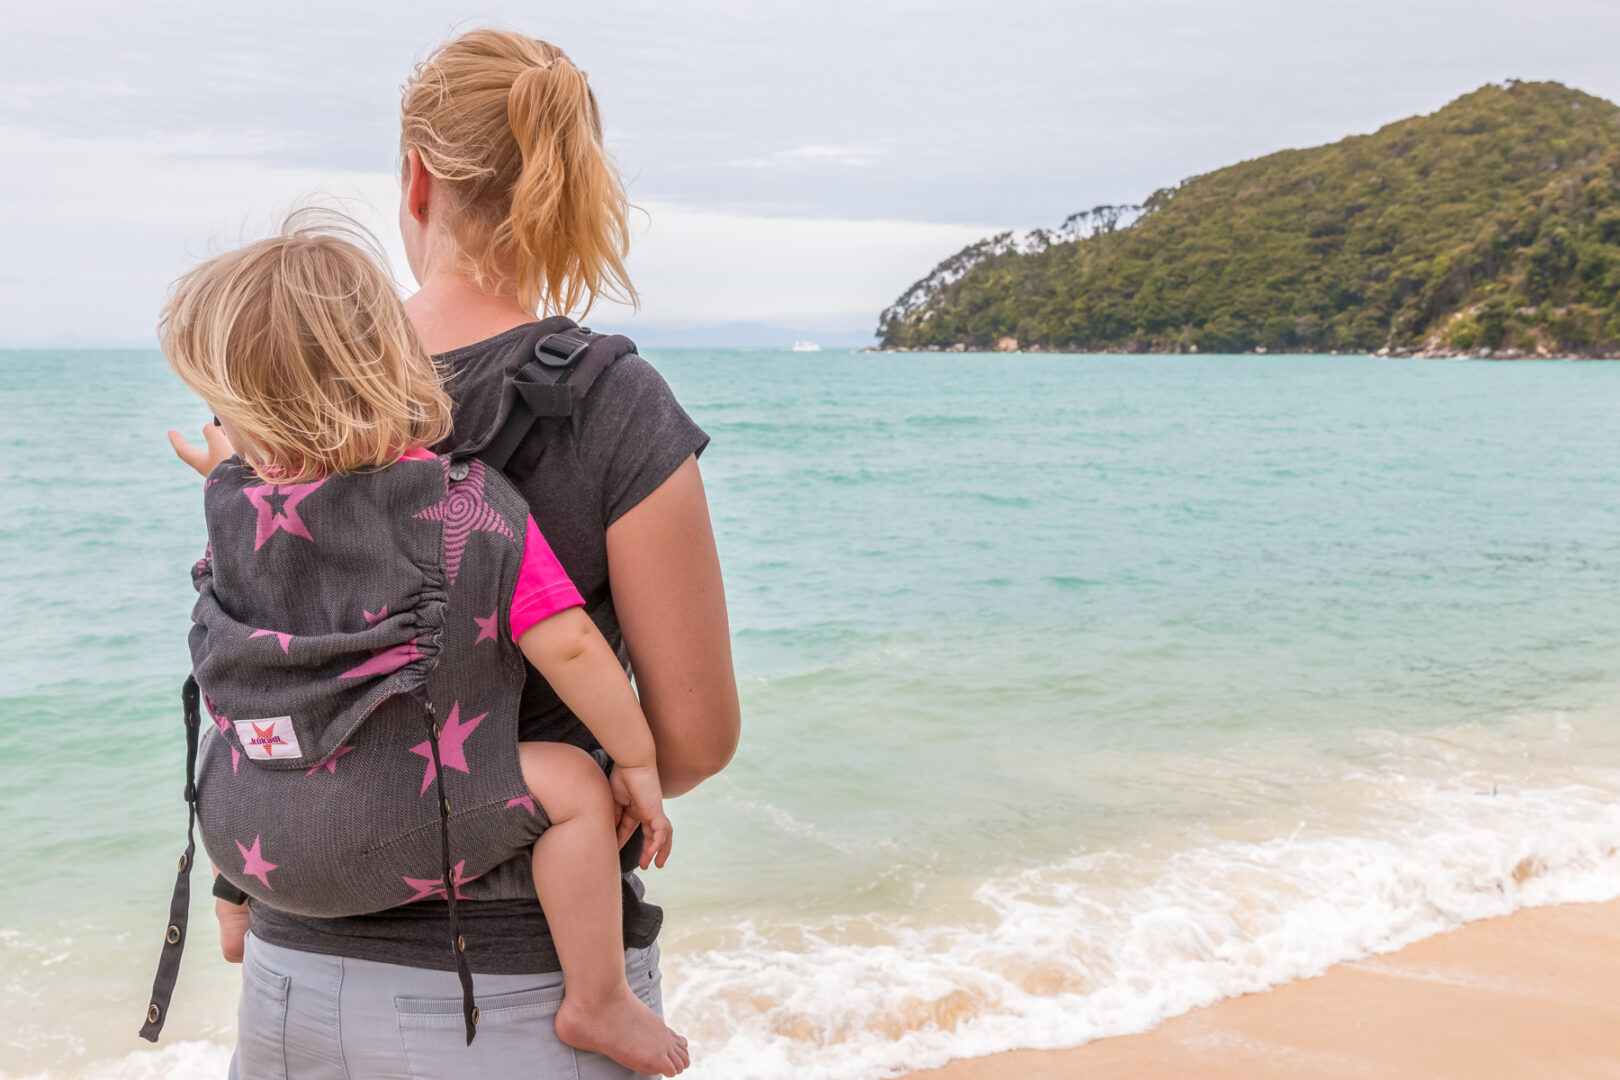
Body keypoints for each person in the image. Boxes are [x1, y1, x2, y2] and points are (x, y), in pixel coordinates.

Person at [167, 29, 739, 1080]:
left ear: (417, 177)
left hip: (287, 971)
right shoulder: (610, 401)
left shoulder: (291, 397)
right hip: (509, 995)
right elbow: (695, 743)